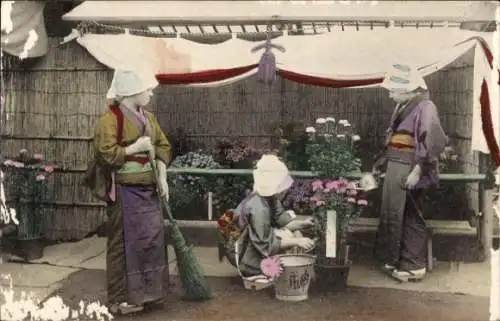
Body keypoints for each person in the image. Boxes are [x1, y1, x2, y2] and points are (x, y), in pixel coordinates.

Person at [87, 69, 172, 315]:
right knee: (123, 245)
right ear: (131, 92)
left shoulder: (149, 118)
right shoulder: (110, 119)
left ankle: (151, 293)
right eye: (147, 88)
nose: (151, 93)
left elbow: (163, 145)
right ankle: (121, 298)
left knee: (153, 241)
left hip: (150, 189)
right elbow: (105, 153)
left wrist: (163, 176)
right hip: (124, 191)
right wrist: (134, 147)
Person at [372, 64, 448, 282]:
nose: (390, 94)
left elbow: (432, 140)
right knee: (398, 215)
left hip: (413, 167)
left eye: (393, 90)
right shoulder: (403, 107)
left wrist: (417, 170)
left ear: (408, 88)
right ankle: (401, 260)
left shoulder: (426, 106)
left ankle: (414, 265)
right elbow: (394, 140)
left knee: (412, 215)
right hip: (398, 165)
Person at [218, 154, 316, 289]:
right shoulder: (258, 207)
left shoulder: (270, 198)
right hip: (240, 249)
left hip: (252, 241)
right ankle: (251, 271)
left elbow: (283, 220)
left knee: (293, 233)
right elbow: (264, 243)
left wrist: (304, 223)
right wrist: (297, 241)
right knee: (289, 240)